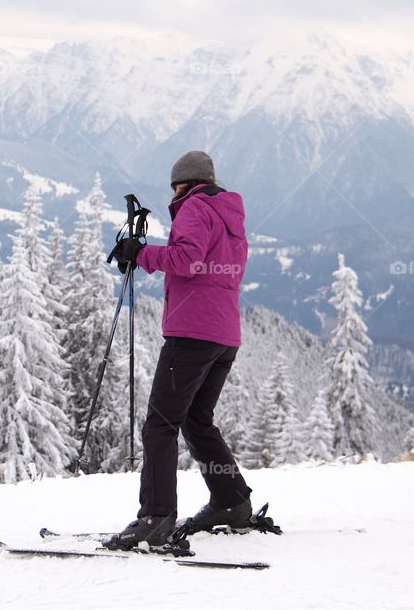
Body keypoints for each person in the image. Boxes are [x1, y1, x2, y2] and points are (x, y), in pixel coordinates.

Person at [107, 150, 252, 548]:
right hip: (224, 336)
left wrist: (140, 254)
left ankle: (156, 517)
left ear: (184, 183)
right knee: (196, 421)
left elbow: (187, 261)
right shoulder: (230, 217)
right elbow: (208, 266)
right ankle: (231, 501)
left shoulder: (193, 208)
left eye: (175, 186)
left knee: (161, 423)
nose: (173, 194)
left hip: (191, 334)